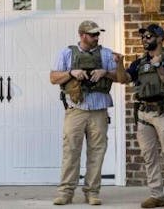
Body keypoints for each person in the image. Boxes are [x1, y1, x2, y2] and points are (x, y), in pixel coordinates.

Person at [49, 20, 125, 206]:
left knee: (97, 152)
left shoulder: (107, 54)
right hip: (76, 110)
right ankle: (65, 193)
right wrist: (71, 73)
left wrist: (106, 72)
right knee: (71, 151)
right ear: (82, 35)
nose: (96, 37)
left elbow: (123, 79)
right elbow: (53, 78)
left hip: (99, 110)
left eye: (98, 34)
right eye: (93, 34)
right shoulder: (66, 53)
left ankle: (92, 192)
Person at [120, 24, 164, 209]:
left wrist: (158, 66)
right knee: (149, 156)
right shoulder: (139, 63)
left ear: (159, 38)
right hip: (143, 114)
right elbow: (125, 78)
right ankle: (156, 195)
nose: (144, 39)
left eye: (149, 36)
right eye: (143, 37)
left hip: (163, 113)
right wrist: (118, 63)